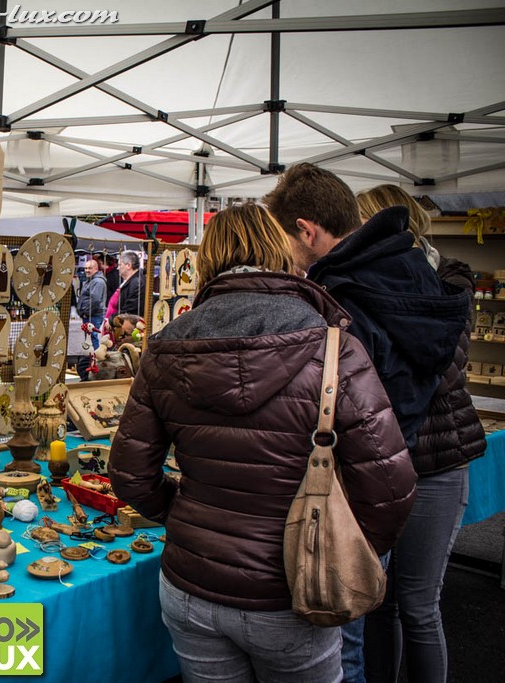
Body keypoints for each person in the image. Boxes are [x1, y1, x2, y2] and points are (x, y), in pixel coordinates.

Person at [108, 202, 417, 683]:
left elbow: (130, 475)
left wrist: (187, 517)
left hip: (195, 585)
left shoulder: (166, 345)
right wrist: (337, 549)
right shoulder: (332, 346)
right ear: (279, 250)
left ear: (209, 259)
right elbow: (390, 487)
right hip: (290, 587)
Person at [263, 164, 471, 682]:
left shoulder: (344, 289)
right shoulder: (407, 269)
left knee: (359, 620)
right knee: (390, 606)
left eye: (286, 240)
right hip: (403, 462)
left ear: (306, 230)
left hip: (368, 473)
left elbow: (350, 398)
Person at [355, 185, 485, 683]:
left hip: (436, 461)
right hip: (383, 463)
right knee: (379, 601)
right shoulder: (362, 283)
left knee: (418, 605)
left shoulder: (449, 278)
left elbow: (441, 368)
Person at [76, 257, 107, 352]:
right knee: (90, 339)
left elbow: (95, 301)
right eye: (85, 268)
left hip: (93, 315)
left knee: (93, 338)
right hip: (90, 315)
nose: (87, 270)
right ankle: (92, 357)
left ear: (96, 269)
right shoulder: (91, 280)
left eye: (89, 268)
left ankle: (96, 358)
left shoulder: (97, 281)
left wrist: (86, 312)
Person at [116, 250, 144, 316]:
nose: (118, 268)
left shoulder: (137, 283)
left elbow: (130, 309)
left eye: (120, 265)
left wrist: (112, 319)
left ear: (128, 265)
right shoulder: (133, 281)